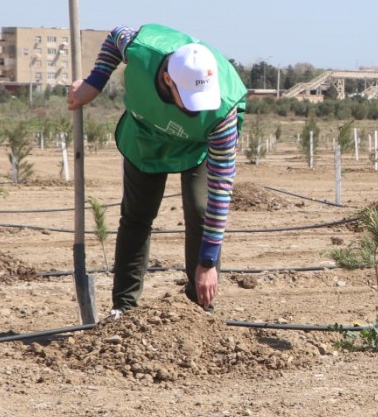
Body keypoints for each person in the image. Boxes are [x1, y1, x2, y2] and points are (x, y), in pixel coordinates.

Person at [66, 24, 247, 313]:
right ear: (167, 80)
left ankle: (200, 312)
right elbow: (115, 36)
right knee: (137, 216)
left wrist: (208, 262)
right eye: (188, 99)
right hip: (145, 138)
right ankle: (123, 309)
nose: (196, 109)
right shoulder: (141, 49)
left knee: (201, 210)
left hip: (195, 146)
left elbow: (221, 189)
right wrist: (94, 82)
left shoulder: (222, 110)